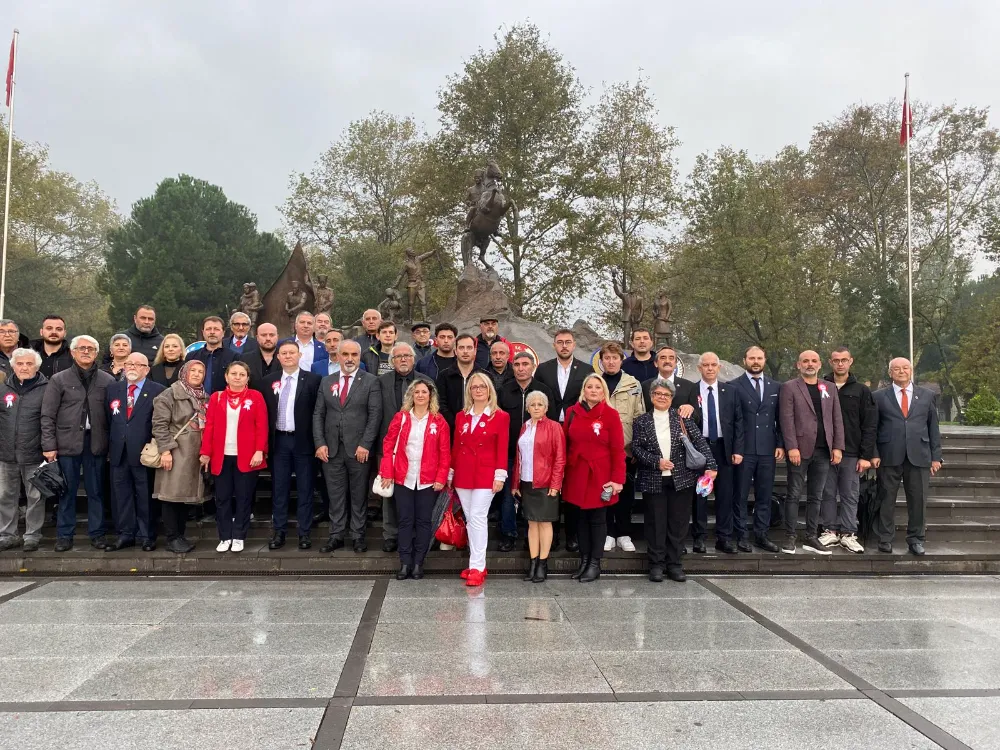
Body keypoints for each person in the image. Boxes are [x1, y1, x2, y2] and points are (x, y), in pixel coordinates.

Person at [633, 378, 717, 582]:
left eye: (666, 395)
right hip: (654, 479)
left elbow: (699, 442)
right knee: (655, 524)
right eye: (658, 394)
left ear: (672, 398)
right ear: (652, 397)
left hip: (682, 479)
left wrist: (711, 465)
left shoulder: (682, 419)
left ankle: (675, 564)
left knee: (678, 525)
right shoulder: (641, 421)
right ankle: (656, 565)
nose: (662, 397)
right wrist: (656, 461)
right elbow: (636, 448)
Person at [41, 335, 116, 552]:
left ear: (96, 353)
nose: (86, 352)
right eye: (81, 348)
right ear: (73, 352)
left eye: (91, 349)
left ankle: (98, 534)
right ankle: (64, 535)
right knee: (67, 491)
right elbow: (47, 415)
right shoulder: (59, 379)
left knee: (96, 492)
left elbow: (113, 416)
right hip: (66, 443)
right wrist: (48, 445)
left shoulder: (107, 380)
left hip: (96, 443)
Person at [314, 340, 382, 554]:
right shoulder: (327, 381)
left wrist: (365, 444)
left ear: (359, 357)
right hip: (331, 449)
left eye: (354, 354)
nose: (350, 358)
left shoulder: (370, 381)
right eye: (345, 354)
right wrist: (320, 443)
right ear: (339, 356)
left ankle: (358, 536)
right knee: (335, 495)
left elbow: (375, 415)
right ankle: (336, 535)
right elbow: (318, 414)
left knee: (358, 494)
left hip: (358, 449)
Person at [378, 379, 450, 580]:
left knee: (424, 522)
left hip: (428, 479)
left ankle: (419, 563)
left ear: (430, 396)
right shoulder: (400, 418)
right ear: (411, 395)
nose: (420, 395)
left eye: (424, 392)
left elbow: (445, 453)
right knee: (405, 521)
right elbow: (388, 445)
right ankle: (405, 563)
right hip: (404, 477)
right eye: (416, 392)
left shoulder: (438, 421)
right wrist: (387, 472)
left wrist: (441, 476)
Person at [871, 357, 942, 555]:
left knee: (918, 501)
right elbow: (872, 428)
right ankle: (885, 539)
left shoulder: (927, 395)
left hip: (919, 455)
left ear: (911, 370)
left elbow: (933, 428)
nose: (901, 371)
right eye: (896, 369)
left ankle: (916, 539)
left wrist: (936, 457)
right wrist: (873, 453)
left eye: (905, 368)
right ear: (890, 373)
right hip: (888, 455)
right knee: (885, 499)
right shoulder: (878, 397)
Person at [779, 350, 845, 555]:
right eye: (805, 361)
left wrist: (837, 446)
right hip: (799, 450)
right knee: (794, 494)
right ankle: (790, 536)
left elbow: (836, 419)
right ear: (798, 365)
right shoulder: (789, 387)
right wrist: (791, 447)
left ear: (819, 365)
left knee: (816, 496)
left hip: (823, 450)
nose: (810, 364)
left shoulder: (830, 388)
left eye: (814, 361)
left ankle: (810, 536)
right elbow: (786, 419)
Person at [678, 352, 744, 554]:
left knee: (725, 495)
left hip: (724, 448)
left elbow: (739, 421)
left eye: (713, 364)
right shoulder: (691, 390)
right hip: (700, 448)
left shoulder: (730, 391)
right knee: (700, 495)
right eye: (705, 365)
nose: (709, 368)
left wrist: (738, 450)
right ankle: (699, 537)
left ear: (719, 367)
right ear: (699, 368)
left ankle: (724, 538)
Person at [199, 360, 268, 553]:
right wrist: (205, 452)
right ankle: (224, 536)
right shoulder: (217, 398)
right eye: (234, 374)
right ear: (226, 376)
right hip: (222, 455)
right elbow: (210, 426)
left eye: (241, 374)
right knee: (222, 498)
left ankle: (239, 535)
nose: (237, 377)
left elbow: (262, 425)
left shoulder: (255, 396)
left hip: (247, 455)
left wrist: (259, 450)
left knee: (244, 498)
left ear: (247, 378)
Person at [563, 373, 626, 583]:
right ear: (584, 390)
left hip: (601, 476)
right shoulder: (572, 412)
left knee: (598, 520)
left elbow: (618, 450)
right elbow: (565, 444)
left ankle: (594, 563)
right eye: (589, 387)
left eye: (597, 387)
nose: (593, 390)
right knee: (580, 518)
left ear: (603, 392)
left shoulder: (610, 414)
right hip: (577, 473)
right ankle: (583, 560)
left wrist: (618, 480)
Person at [450, 372, 509, 587]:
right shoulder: (461, 416)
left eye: (482, 387)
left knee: (477, 517)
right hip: (464, 474)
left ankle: (477, 566)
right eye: (474, 387)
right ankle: (476, 564)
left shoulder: (500, 416)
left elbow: (502, 448)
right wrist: (450, 471)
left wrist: (500, 475)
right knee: (470, 518)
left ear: (489, 390)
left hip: (486, 474)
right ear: (469, 391)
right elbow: (456, 446)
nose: (478, 390)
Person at [261, 341, 321, 550]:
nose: (287, 356)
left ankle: (304, 533)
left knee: (305, 489)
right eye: (283, 353)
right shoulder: (267, 381)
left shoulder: (313, 380)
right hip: (279, 441)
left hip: (304, 441)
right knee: (279, 489)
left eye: (291, 353)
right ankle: (279, 532)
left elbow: (318, 413)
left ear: (299, 355)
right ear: (278, 357)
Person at [818, 347, 878, 553]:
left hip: (852, 452)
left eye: (844, 360)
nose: (840, 364)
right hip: (823, 451)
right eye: (836, 360)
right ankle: (829, 531)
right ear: (830, 362)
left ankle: (849, 533)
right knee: (826, 493)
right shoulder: (821, 387)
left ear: (851, 361)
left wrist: (865, 456)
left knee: (850, 494)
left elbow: (869, 425)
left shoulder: (861, 391)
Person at [534, 329, 588, 552]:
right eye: (560, 342)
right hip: (549, 432)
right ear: (554, 345)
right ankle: (552, 534)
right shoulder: (543, 369)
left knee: (573, 484)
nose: (564, 346)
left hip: (576, 432)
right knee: (551, 484)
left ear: (574, 344)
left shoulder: (586, 370)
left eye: (568, 342)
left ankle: (572, 534)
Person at [497, 351, 557, 551]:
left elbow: (553, 422)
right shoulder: (504, 390)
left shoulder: (544, 390)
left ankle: (538, 538)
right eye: (517, 364)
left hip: (540, 458)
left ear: (533, 367)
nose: (521, 368)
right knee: (508, 497)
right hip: (511, 454)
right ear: (512, 367)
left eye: (525, 364)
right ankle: (509, 534)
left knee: (538, 499)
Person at [106, 353, 165, 551]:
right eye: (129, 363)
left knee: (145, 495)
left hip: (144, 452)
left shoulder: (158, 391)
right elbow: (108, 420)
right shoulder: (113, 389)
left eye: (138, 364)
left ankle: (146, 535)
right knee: (121, 495)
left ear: (146, 369)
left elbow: (161, 423)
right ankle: (125, 534)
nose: (132, 367)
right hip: (118, 452)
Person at [376, 343, 431, 553]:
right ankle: (391, 534)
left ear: (413, 358)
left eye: (407, 355)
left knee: (417, 494)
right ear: (392, 361)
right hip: (390, 446)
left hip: (419, 448)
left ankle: (416, 533)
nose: (403, 359)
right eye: (398, 357)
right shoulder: (381, 382)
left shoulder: (425, 382)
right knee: (389, 493)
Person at [731, 345, 783, 553]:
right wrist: (736, 449)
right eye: (751, 357)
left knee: (764, 495)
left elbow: (780, 419)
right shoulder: (733, 386)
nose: (755, 361)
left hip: (768, 450)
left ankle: (762, 534)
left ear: (764, 360)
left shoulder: (776, 387)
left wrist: (780, 444)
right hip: (743, 451)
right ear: (744, 360)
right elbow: (733, 422)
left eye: (759, 358)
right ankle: (741, 535)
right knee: (740, 495)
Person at [151, 361, 208, 554]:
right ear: (184, 372)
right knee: (170, 496)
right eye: (193, 370)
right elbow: (159, 424)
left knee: (183, 497)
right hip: (176, 454)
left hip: (194, 455)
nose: (197, 374)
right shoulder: (170, 394)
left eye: (201, 371)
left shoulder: (204, 397)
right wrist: (165, 451)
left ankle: (180, 535)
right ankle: (172, 537)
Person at [512, 390, 565, 582]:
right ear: (527, 408)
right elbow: (519, 457)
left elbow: (560, 458)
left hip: (545, 482)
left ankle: (543, 563)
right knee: (532, 523)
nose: (536, 407)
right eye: (532, 404)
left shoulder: (553, 427)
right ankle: (533, 562)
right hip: (527, 482)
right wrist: (515, 482)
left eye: (539, 404)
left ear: (546, 408)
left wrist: (556, 483)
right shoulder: (524, 427)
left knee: (545, 522)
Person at [598, 341, 645, 553]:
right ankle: (608, 533)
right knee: (605, 492)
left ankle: (624, 533)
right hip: (600, 450)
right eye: (606, 358)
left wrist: (636, 446)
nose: (611, 361)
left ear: (621, 360)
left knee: (625, 493)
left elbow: (640, 417)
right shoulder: (595, 383)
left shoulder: (633, 384)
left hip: (625, 449)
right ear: (601, 361)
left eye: (614, 358)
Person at [0, 348, 48, 552]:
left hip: (35, 452)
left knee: (35, 496)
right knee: (5, 496)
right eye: (20, 364)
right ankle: (7, 534)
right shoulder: (3, 388)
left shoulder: (46, 388)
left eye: (29, 364)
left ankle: (32, 535)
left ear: (36, 366)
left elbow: (49, 420)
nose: (24, 367)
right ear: (13, 366)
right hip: (6, 452)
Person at [437, 334, 484, 430]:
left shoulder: (485, 376)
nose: (465, 351)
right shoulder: (444, 376)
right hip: (451, 429)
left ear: (475, 351)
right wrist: (456, 423)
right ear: (455, 351)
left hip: (479, 429)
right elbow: (441, 404)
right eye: (461, 348)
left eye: (469, 348)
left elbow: (490, 403)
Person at [640, 345, 698, 415]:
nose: (667, 361)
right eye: (663, 358)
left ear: (676, 363)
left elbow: (697, 417)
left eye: (671, 358)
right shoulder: (645, 386)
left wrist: (690, 409)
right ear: (656, 363)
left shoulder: (689, 387)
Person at [185, 316, 237, 394]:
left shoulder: (234, 357)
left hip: (223, 403)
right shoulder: (191, 357)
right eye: (208, 329)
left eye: (216, 329)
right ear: (203, 332)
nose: (212, 332)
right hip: (195, 403)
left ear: (223, 333)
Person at [241, 322, 279, 390]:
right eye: (264, 335)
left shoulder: (287, 359)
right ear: (257, 338)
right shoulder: (244, 359)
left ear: (277, 337)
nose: (268, 338)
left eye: (272, 335)